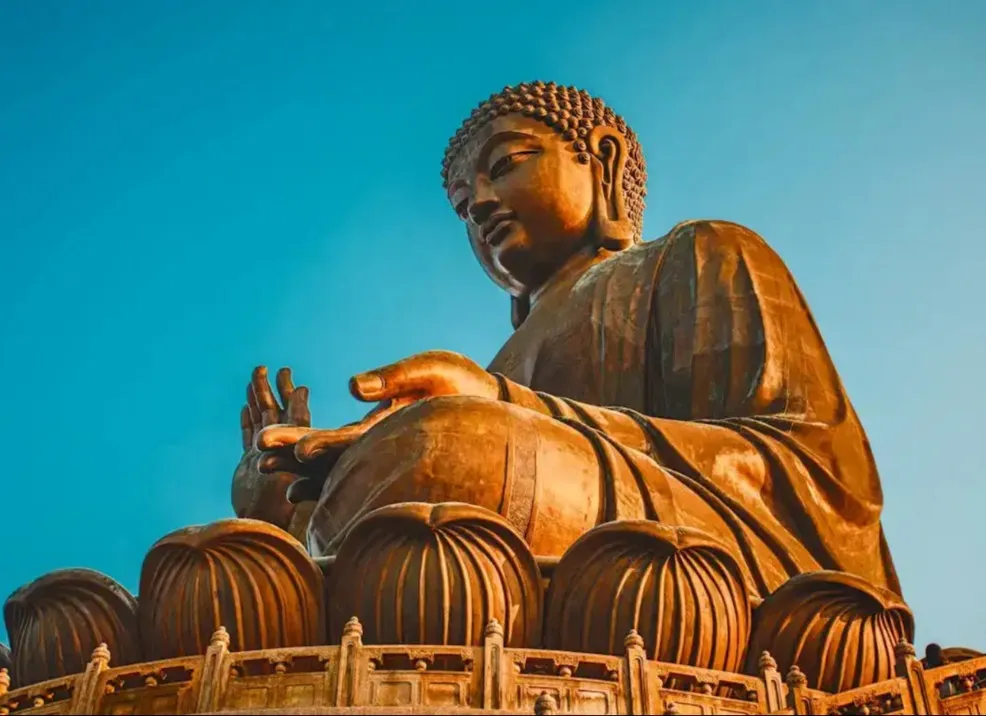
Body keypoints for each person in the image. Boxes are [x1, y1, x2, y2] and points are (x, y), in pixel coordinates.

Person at [234, 81, 901, 604]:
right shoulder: (496, 366)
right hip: (495, 566)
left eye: (509, 164)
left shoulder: (701, 256)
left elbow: (814, 479)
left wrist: (494, 411)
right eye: (466, 205)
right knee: (238, 564)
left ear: (602, 159)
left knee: (446, 444)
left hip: (696, 567)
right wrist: (283, 513)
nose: (485, 204)